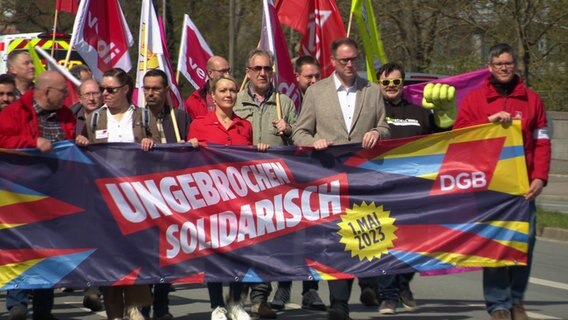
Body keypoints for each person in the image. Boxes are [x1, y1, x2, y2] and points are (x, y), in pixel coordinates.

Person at [292, 37, 390, 320]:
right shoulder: (317, 92)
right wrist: (314, 141)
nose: (350, 65)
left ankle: (368, 282)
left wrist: (378, 133)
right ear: (333, 62)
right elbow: (300, 132)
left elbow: (384, 125)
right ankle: (339, 303)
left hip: (364, 176)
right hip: (329, 176)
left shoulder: (372, 91)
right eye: (344, 60)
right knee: (336, 239)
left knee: (363, 235)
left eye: (354, 59)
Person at [454, 43, 551, 320]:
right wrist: (488, 122)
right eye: (498, 64)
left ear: (515, 65)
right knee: (495, 245)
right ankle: (498, 304)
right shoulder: (474, 100)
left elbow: (542, 143)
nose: (504, 68)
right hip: (489, 186)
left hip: (523, 189)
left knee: (524, 243)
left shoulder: (533, 100)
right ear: (489, 67)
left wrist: (540, 178)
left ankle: (517, 301)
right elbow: (459, 136)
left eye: (508, 63)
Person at [370, 61, 456, 315]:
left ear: (402, 83)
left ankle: (403, 285)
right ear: (379, 84)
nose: (391, 86)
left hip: (415, 189)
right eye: (386, 82)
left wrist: (444, 120)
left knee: (414, 244)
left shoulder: (419, 112)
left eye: (396, 82)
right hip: (380, 188)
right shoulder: (371, 113)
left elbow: (441, 139)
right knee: (385, 244)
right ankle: (388, 296)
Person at [75, 68, 157, 320]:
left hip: (137, 201)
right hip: (106, 202)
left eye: (110, 89)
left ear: (125, 90)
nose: (105, 94)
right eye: (103, 89)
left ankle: (136, 307)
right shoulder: (96, 119)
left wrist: (150, 145)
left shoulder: (143, 117)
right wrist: (82, 143)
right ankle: (115, 315)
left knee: (137, 259)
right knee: (110, 264)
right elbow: (86, 156)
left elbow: (163, 156)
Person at [187, 74, 267, 320]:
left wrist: (260, 150)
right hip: (210, 201)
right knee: (214, 254)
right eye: (223, 90)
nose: (229, 95)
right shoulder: (199, 124)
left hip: (240, 201)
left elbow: (249, 162)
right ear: (212, 96)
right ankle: (217, 305)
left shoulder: (245, 126)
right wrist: (189, 146)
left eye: (232, 90)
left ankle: (235, 303)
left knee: (240, 252)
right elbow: (188, 163)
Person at [0, 71, 76, 320]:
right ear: (47, 93)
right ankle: (18, 303)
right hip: (20, 194)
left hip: (55, 193)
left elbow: (70, 142)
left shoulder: (65, 115)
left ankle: (44, 309)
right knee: (21, 247)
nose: (66, 96)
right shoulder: (15, 112)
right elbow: (2, 139)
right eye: (62, 91)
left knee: (50, 251)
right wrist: (32, 142)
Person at [232, 48, 295, 319]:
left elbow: (302, 143)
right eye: (257, 68)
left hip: (273, 188)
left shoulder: (285, 103)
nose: (262, 73)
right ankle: (236, 299)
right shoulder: (234, 102)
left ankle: (260, 299)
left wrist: (290, 131)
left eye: (267, 68)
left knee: (267, 245)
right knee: (240, 244)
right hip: (238, 186)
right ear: (248, 72)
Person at [267, 55, 325, 313]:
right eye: (308, 76)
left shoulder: (326, 101)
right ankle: (283, 286)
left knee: (314, 236)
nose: (313, 81)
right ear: (297, 77)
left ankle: (311, 291)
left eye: (317, 76)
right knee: (287, 235)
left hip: (316, 178)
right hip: (288, 181)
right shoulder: (286, 102)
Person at [139, 68, 190, 320]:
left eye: (155, 88)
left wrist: (188, 147)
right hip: (142, 196)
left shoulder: (180, 118)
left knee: (167, 256)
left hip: (171, 198)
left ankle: (161, 305)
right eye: (146, 88)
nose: (150, 93)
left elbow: (194, 153)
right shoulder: (135, 117)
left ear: (166, 91)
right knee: (144, 254)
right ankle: (142, 306)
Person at [184, 55, 231, 119]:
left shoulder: (237, 95)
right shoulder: (194, 101)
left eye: (228, 70)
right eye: (223, 71)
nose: (227, 74)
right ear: (210, 73)